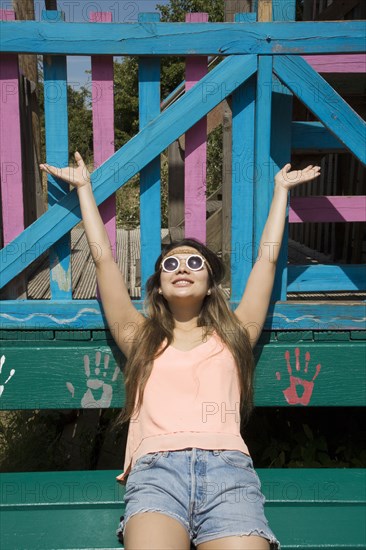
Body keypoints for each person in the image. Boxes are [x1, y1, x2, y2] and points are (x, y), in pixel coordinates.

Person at [40, 153, 320, 550]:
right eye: (171, 264)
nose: (182, 267)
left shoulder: (235, 335)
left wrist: (280, 192)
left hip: (229, 473)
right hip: (156, 472)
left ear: (210, 285)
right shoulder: (139, 338)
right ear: (157, 286)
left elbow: (267, 260)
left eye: (194, 262)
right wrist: (85, 190)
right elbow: (103, 262)